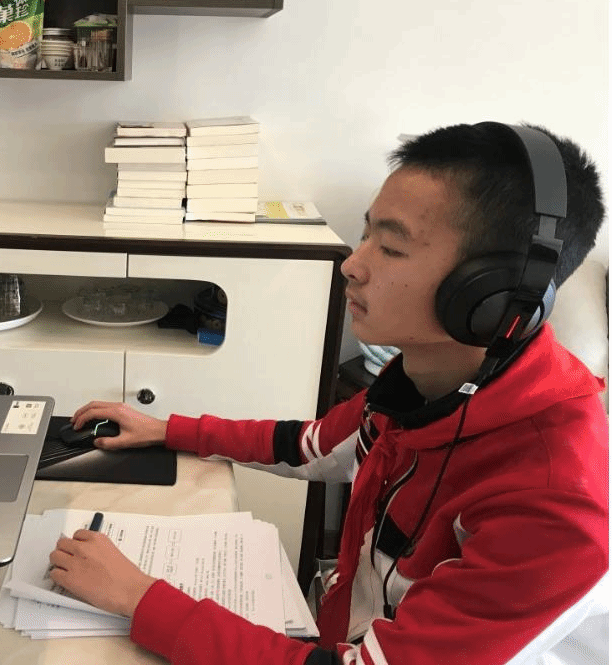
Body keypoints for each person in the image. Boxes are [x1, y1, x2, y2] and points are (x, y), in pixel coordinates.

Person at [47, 122, 609, 665]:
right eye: (366, 235)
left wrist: (141, 599)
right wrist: (168, 430)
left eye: (391, 249)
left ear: (493, 295)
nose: (353, 265)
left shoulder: (554, 507)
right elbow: (309, 446)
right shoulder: (428, 387)